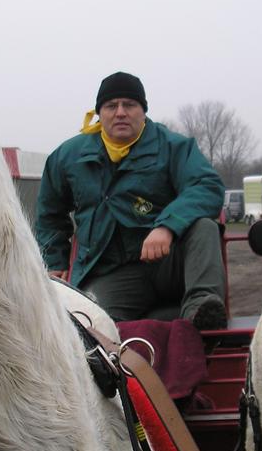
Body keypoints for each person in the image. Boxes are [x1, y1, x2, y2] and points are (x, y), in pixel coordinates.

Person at [36, 71, 229, 330]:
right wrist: (54, 262)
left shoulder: (173, 147)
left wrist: (167, 226)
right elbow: (50, 214)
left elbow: (207, 186)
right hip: (111, 270)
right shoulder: (67, 157)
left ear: (143, 111)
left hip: (170, 263)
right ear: (99, 113)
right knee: (89, 325)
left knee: (204, 227)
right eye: (111, 106)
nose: (120, 113)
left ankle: (201, 310)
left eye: (129, 105)